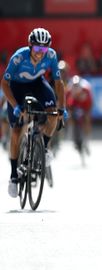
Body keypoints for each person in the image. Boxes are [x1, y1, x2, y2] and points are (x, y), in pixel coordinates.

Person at [1, 27, 67, 198]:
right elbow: (5, 84)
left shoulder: (51, 56)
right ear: (30, 46)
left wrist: (62, 108)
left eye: (44, 49)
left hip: (38, 83)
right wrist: (15, 105)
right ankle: (14, 176)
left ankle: (44, 147)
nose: (40, 53)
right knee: (16, 131)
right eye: (37, 48)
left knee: (52, 113)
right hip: (16, 87)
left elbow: (59, 83)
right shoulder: (18, 57)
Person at [66, 75, 93, 154]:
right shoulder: (69, 90)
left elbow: (90, 105)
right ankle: (71, 132)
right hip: (74, 103)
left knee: (87, 118)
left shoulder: (86, 89)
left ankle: (87, 140)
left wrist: (86, 113)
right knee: (70, 115)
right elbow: (66, 104)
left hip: (84, 104)